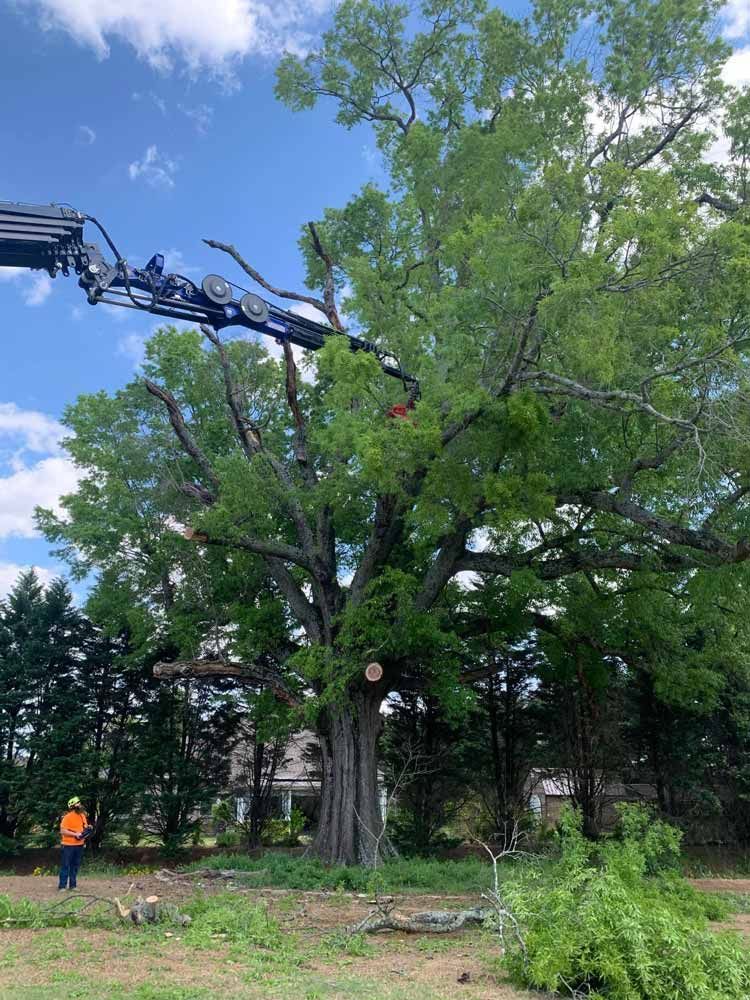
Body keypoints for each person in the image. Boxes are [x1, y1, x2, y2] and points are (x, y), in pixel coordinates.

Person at [58, 796, 90, 891]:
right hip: (68, 845)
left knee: (75, 866)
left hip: (79, 845)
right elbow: (63, 831)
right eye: (77, 803)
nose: (80, 805)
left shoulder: (82, 815)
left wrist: (87, 831)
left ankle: (73, 886)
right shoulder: (67, 817)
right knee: (65, 865)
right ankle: (62, 886)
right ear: (72, 806)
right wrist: (75, 834)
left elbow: (84, 828)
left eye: (79, 803)